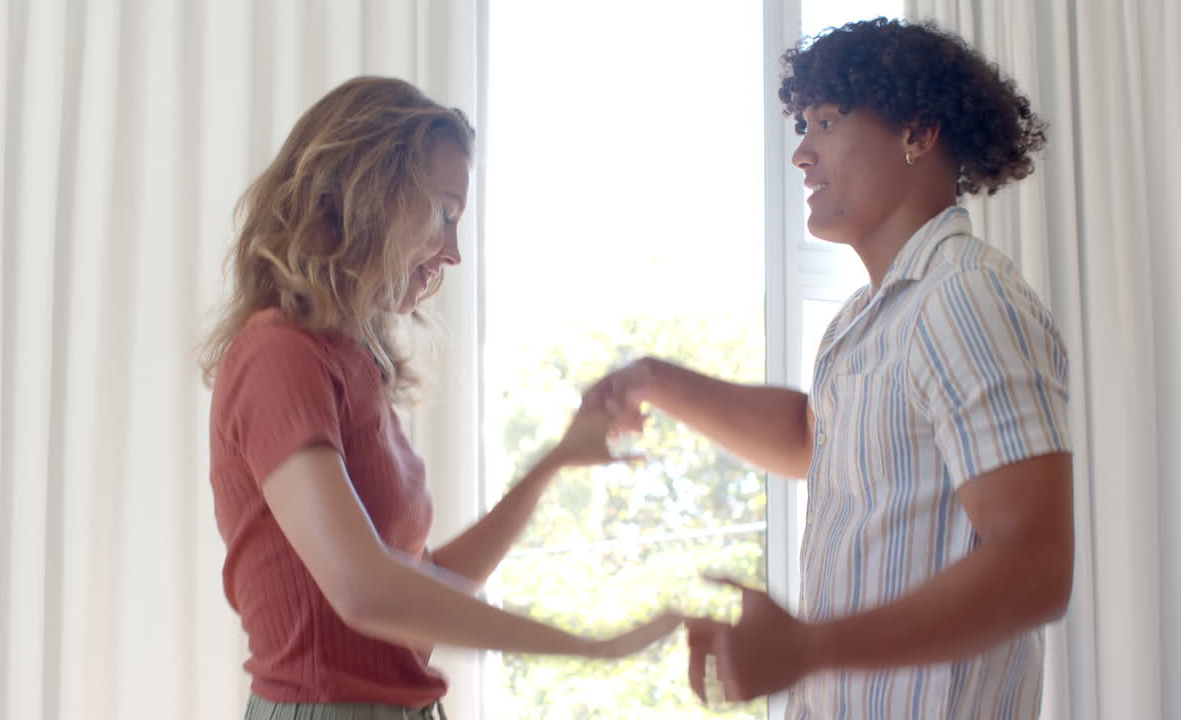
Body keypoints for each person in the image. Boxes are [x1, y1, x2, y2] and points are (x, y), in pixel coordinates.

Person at [590, 17, 1072, 719]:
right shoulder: (859, 323)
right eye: (801, 126)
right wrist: (655, 380)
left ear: (917, 132)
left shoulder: (967, 299)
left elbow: (1034, 569)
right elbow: (813, 439)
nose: (801, 156)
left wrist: (810, 646)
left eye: (824, 121)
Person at [200, 76, 678, 720]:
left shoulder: (351, 363)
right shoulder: (279, 354)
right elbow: (367, 593)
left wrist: (556, 460)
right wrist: (585, 646)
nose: (452, 252)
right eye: (445, 214)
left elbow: (421, 582)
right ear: (373, 191)